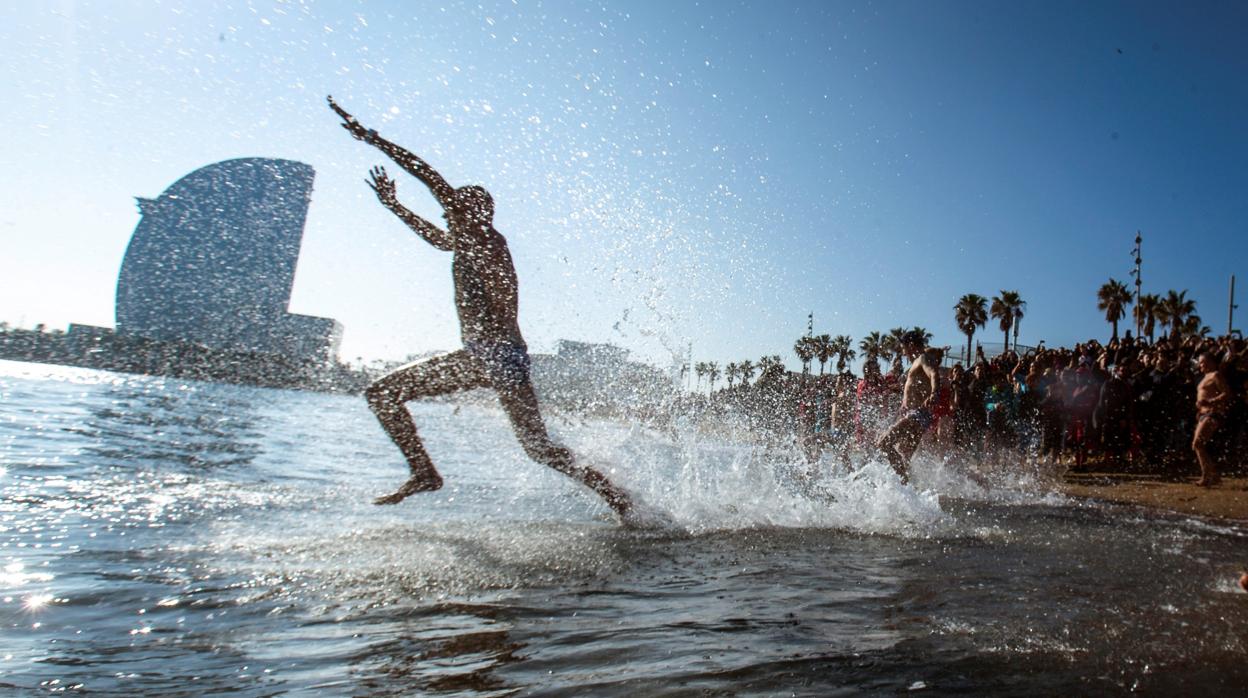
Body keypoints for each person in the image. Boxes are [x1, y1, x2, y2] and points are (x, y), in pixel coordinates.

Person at [328, 96, 632, 516]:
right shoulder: (472, 243)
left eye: (452, 207)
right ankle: (624, 502)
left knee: (383, 394)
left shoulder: (483, 238)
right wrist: (397, 207)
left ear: (472, 212)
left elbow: (426, 173)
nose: (447, 212)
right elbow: (436, 238)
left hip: (490, 355)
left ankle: (424, 473)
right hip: (506, 358)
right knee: (539, 449)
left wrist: (373, 138)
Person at [875, 329, 942, 483]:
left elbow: (933, 374)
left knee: (883, 443)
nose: (903, 352)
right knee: (904, 456)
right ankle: (907, 489)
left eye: (903, 348)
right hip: (919, 415)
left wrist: (934, 393)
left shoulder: (923, 358)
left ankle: (903, 482)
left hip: (916, 414)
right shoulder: (917, 362)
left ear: (911, 345)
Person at [1192, 351, 1231, 487]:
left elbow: (1227, 393)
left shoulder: (1215, 375)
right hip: (1203, 414)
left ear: (1211, 362)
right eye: (1199, 362)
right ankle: (1213, 476)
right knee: (1197, 445)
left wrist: (1210, 402)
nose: (1200, 364)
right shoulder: (1204, 377)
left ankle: (1207, 476)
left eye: (1202, 362)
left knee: (1198, 444)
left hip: (1213, 413)